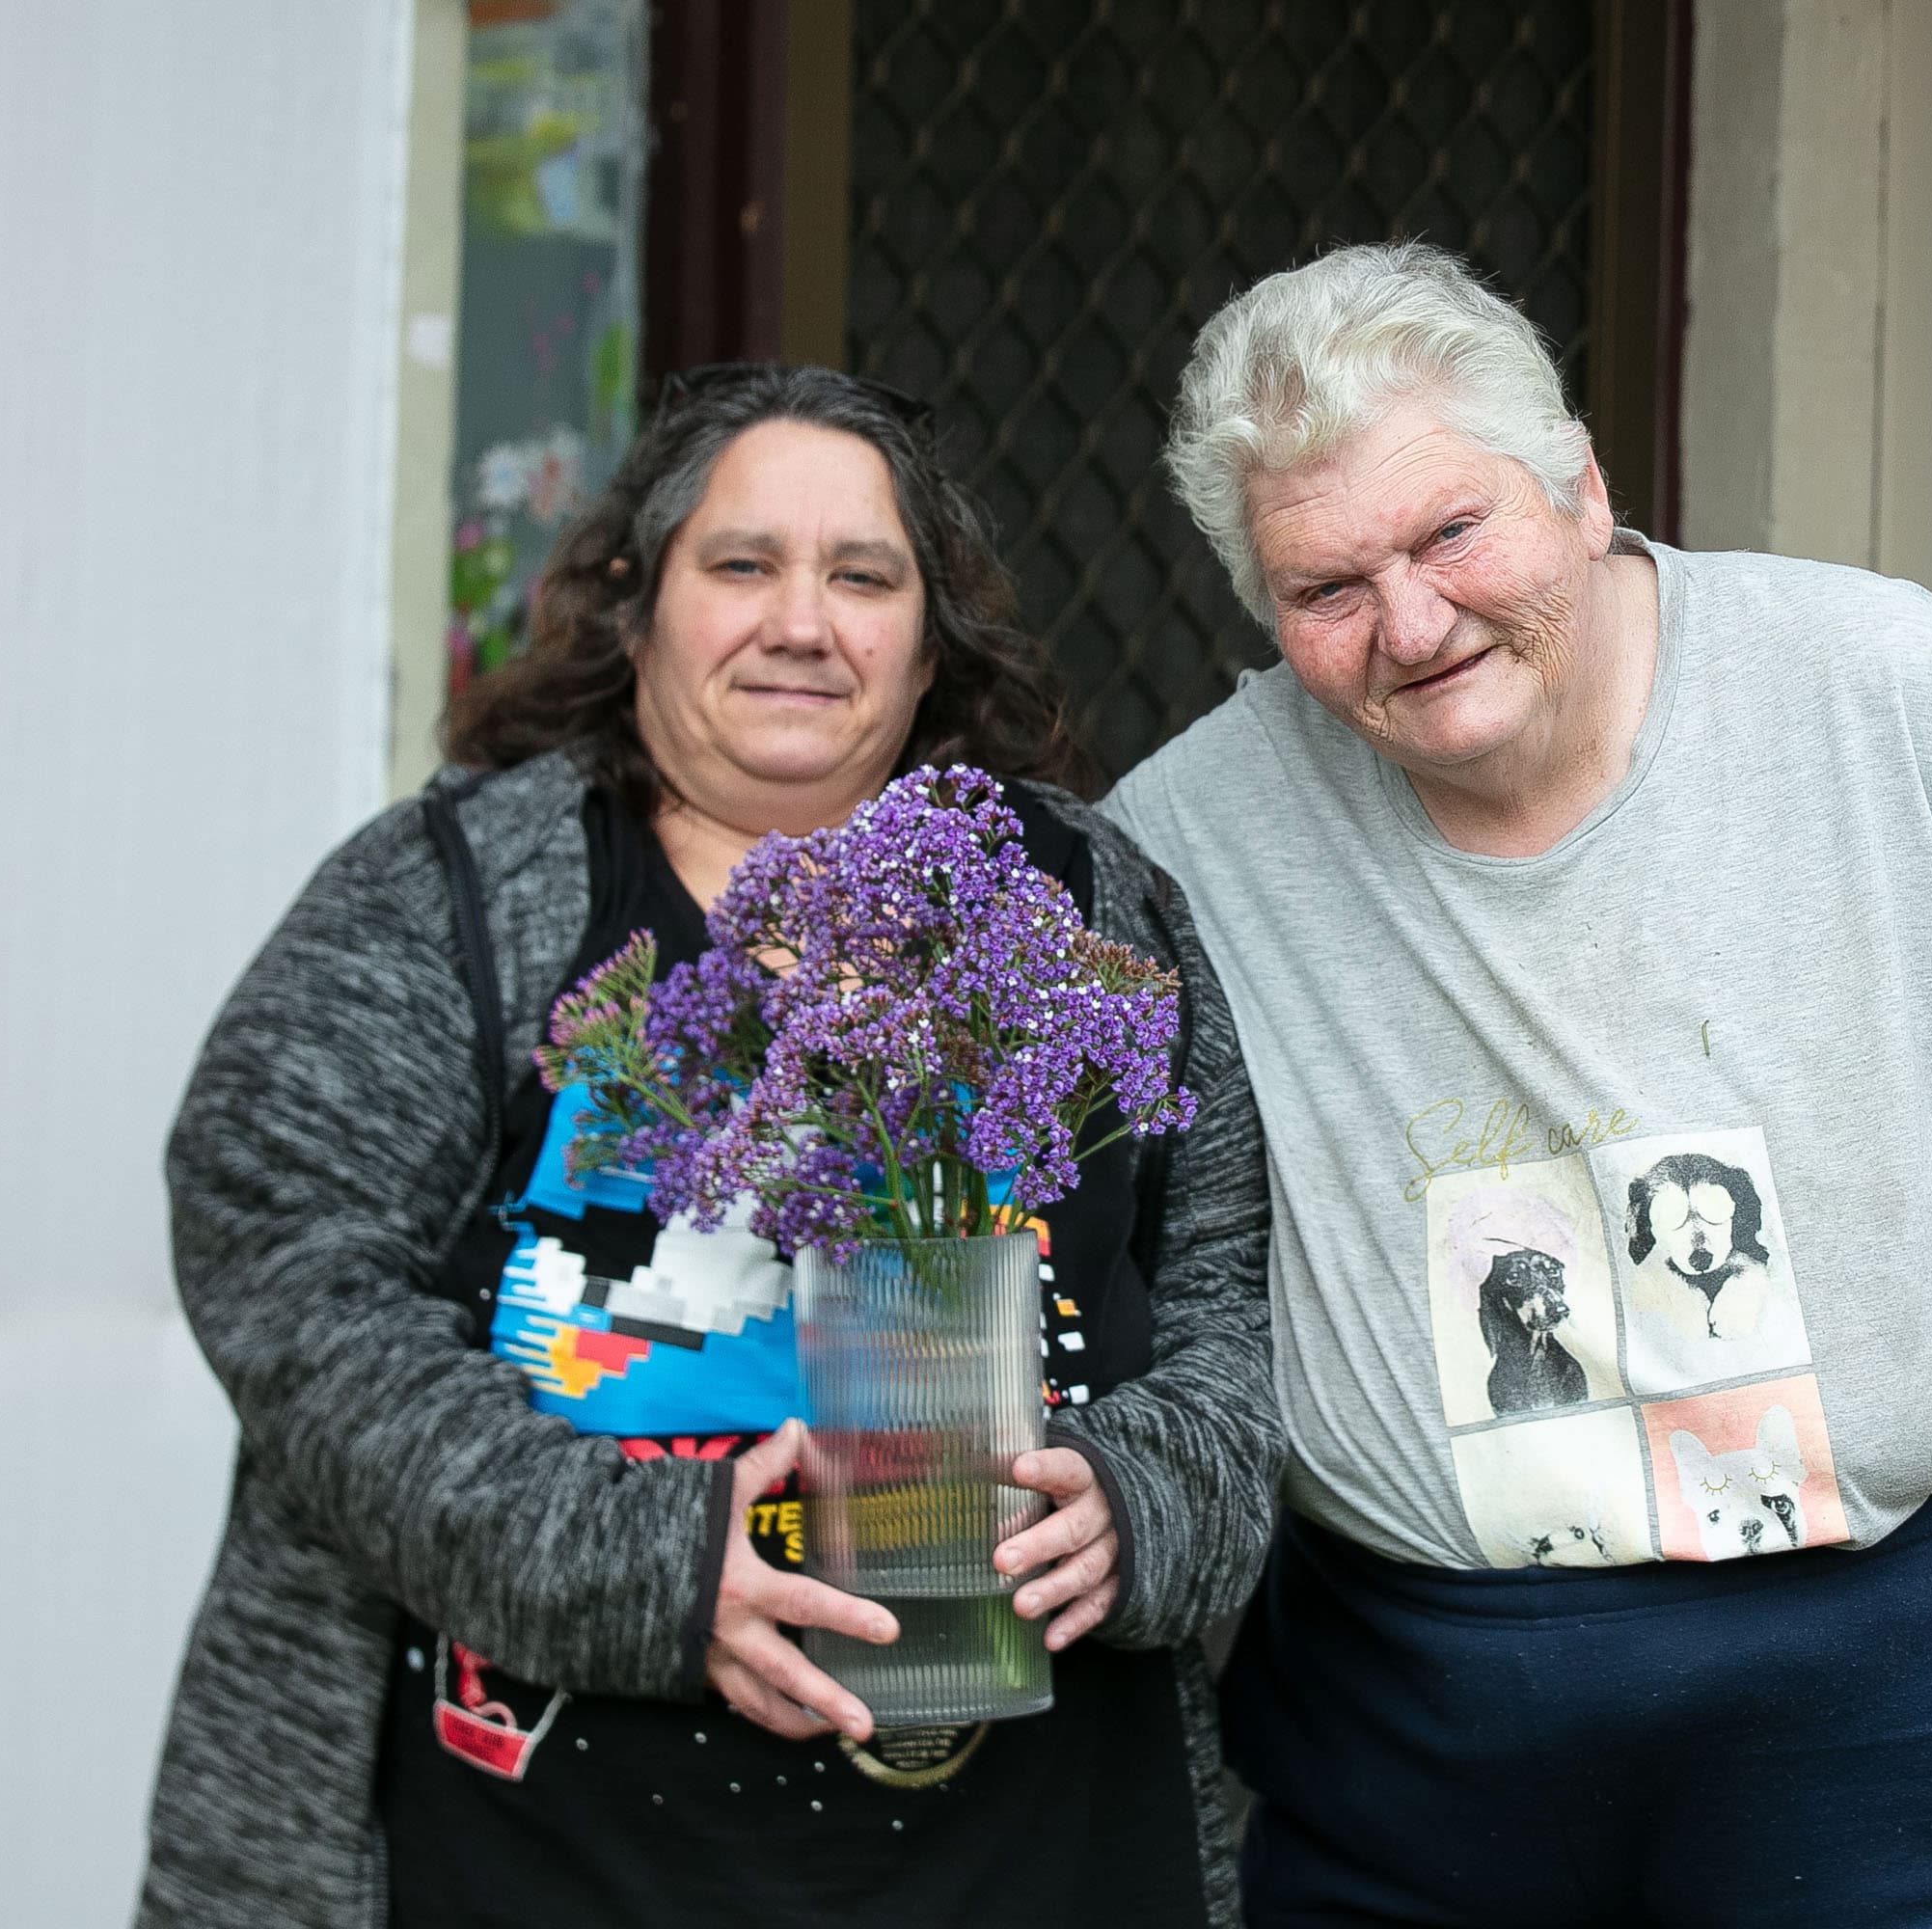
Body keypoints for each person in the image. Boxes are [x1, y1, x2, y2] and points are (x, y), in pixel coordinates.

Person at [1103, 243, 1932, 1925]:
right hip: (1410, 1722)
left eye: (1451, 532)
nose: (1411, 624)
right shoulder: (1186, 839)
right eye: (1327, 588)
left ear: (1579, 485)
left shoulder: (1875, 682)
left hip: (1882, 1678)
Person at [139, 366, 1274, 1929]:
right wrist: (647, 1565)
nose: (802, 623)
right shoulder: (457, 900)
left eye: (863, 577)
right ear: (638, 607)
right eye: (743, 564)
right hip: (535, 1868)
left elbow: (1230, 1306)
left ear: (930, 638)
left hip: (1039, 1863)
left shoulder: (1085, 907)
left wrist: (1146, 1505)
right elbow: (287, 1282)